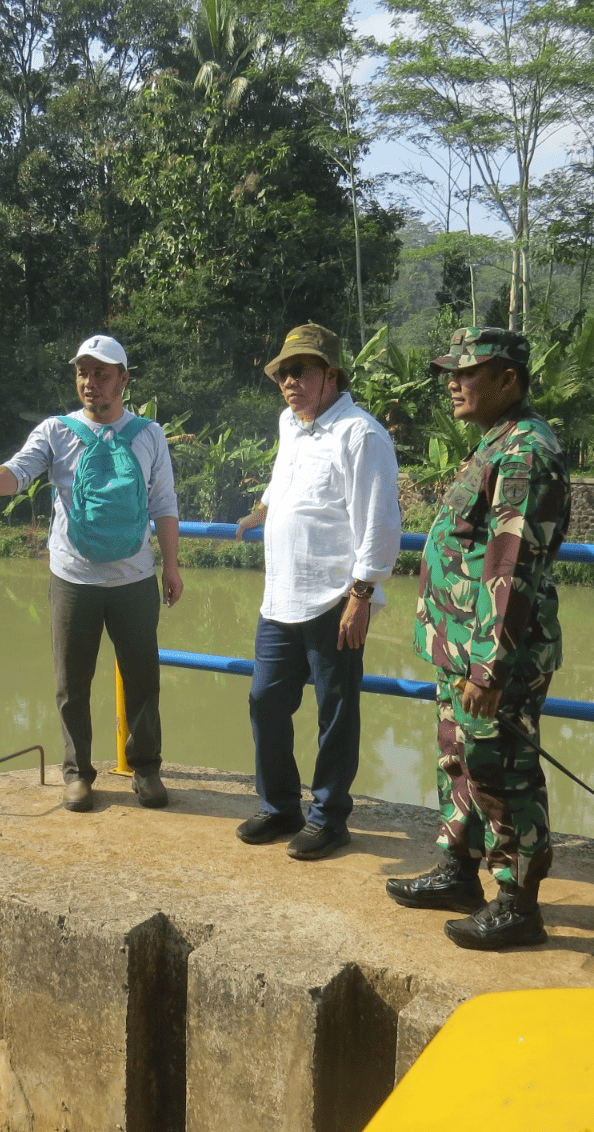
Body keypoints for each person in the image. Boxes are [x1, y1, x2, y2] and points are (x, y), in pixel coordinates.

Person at [385, 326, 571, 950]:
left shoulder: (524, 453)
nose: (454, 384)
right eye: (452, 373)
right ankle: (458, 871)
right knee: (459, 759)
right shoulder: (494, 443)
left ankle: (517, 904)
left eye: (469, 373)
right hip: (461, 647)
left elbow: (510, 568)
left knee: (502, 772)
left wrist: (491, 669)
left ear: (508, 380)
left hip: (495, 656)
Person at [0, 335, 183, 812]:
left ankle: (145, 769)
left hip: (134, 578)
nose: (90, 382)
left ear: (123, 378)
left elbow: (163, 504)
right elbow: (17, 472)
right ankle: (78, 773)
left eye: (101, 373)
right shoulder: (55, 431)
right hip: (74, 579)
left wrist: (172, 566)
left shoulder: (149, 434)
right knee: (71, 683)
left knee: (143, 679)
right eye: (83, 372)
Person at [232, 324, 402, 860]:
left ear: (331, 374)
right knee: (265, 701)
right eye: (282, 372)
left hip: (335, 599)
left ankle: (328, 817)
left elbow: (380, 523)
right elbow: (287, 477)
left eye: (300, 369)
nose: (288, 380)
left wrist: (361, 595)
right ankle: (281, 806)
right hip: (281, 598)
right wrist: (263, 507)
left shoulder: (361, 433)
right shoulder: (292, 424)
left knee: (336, 711)